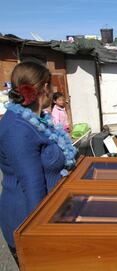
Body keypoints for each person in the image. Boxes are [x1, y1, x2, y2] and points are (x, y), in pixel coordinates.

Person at [0, 62, 76, 262]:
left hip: (52, 215)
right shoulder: (18, 128)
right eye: (51, 86)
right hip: (31, 220)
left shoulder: (39, 119)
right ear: (45, 88)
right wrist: (41, 237)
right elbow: (33, 186)